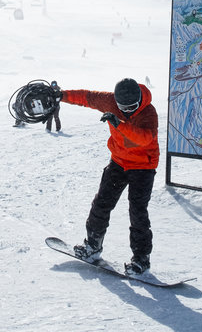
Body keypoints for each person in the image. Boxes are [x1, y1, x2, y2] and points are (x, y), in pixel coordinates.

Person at [58, 78, 159, 275]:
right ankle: (93, 246)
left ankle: (141, 259)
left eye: (132, 107)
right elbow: (87, 97)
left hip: (143, 166)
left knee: (138, 212)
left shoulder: (149, 112)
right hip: (119, 162)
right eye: (124, 107)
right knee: (101, 203)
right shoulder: (110, 101)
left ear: (139, 100)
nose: (128, 111)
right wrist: (61, 95)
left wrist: (119, 124)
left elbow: (144, 139)